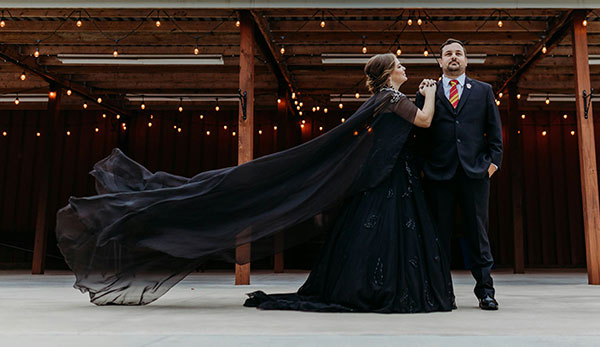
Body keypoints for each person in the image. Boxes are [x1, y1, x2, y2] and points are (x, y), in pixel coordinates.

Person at [56, 53, 455, 312]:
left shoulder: (383, 99)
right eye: (399, 64)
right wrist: (430, 93)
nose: (405, 67)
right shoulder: (388, 97)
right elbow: (423, 120)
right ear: (387, 73)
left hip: (394, 178)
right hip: (389, 181)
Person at [415, 39, 503, 311]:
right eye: (448, 54)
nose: (453, 57)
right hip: (438, 175)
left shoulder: (483, 91)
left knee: (478, 234)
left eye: (458, 53)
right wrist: (423, 169)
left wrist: (492, 165)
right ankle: (444, 294)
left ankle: (485, 292)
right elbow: (420, 135)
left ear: (466, 61)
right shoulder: (426, 91)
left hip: (475, 173)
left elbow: (495, 134)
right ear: (440, 62)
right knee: (439, 236)